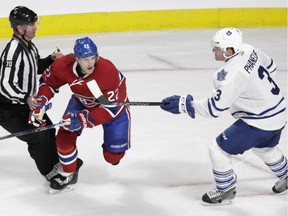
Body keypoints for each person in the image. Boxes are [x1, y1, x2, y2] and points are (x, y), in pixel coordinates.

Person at [160, 27, 287, 205]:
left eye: (217, 48)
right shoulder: (250, 50)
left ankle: (225, 189)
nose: (214, 50)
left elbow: (215, 109)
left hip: (260, 121)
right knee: (265, 149)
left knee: (218, 150)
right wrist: (255, 90)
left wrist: (185, 104)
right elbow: (271, 67)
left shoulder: (228, 76)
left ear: (230, 50)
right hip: (280, 111)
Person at [29, 36, 131, 193]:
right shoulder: (63, 65)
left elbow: (110, 109)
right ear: (76, 58)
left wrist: (85, 119)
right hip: (81, 101)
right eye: (85, 59)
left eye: (93, 58)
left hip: (113, 110)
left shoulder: (107, 71)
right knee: (64, 137)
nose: (91, 63)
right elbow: (48, 82)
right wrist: (41, 101)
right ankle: (69, 172)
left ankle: (111, 149)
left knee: (113, 157)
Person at [0, 6, 64, 181]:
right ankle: (49, 172)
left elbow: (35, 67)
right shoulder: (13, 51)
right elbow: (5, 85)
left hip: (27, 105)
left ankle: (57, 164)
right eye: (31, 24)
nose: (35, 28)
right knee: (40, 137)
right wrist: (25, 98)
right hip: (8, 110)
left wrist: (50, 60)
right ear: (20, 28)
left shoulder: (30, 47)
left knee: (50, 131)